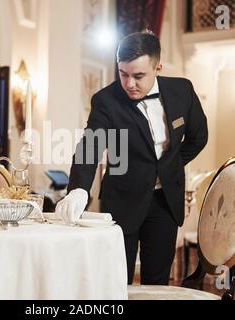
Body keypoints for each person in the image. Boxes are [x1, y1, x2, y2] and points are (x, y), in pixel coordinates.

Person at [56, 30, 208, 285]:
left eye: (138, 76)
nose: (129, 83)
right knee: (116, 280)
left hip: (165, 203)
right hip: (122, 201)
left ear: (157, 67)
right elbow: (90, 146)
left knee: (157, 282)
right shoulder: (106, 100)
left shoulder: (182, 90)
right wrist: (79, 189)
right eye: (123, 74)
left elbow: (198, 137)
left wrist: (169, 167)